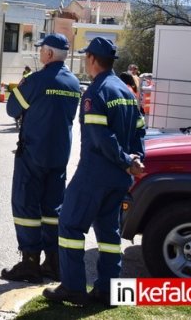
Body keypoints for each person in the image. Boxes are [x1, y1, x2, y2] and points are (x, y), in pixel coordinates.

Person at [43, 37, 146, 307]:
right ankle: (108, 291)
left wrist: (125, 159)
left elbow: (101, 138)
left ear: (91, 59)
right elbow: (139, 131)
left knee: (70, 225)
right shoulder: (127, 93)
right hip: (119, 178)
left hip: (96, 173)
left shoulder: (96, 93)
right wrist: (135, 159)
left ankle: (73, 287)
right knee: (109, 234)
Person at [1, 34, 81, 284]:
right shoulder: (74, 83)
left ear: (48, 54)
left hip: (33, 154)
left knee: (26, 206)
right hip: (59, 155)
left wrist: (22, 86)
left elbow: (12, 109)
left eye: (41, 51)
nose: (39, 54)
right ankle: (54, 262)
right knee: (52, 209)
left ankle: (30, 263)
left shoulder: (36, 80)